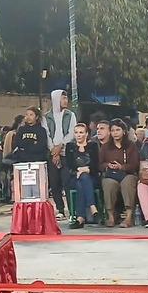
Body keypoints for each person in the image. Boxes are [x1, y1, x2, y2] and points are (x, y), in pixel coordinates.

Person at [99, 118, 139, 228]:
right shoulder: (106, 147)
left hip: (128, 174)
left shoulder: (131, 145)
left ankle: (128, 217)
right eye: (113, 130)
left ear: (124, 131)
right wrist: (108, 165)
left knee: (127, 183)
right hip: (112, 175)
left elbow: (135, 165)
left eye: (118, 130)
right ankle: (110, 216)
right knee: (108, 184)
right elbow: (100, 164)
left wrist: (121, 166)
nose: (115, 133)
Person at [44, 90, 76, 219]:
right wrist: (54, 151)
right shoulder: (46, 117)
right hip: (53, 154)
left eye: (66, 98)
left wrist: (61, 145)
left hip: (66, 153)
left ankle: (72, 209)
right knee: (55, 182)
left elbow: (72, 132)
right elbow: (46, 135)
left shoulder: (70, 115)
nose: (66, 100)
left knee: (67, 181)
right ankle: (60, 209)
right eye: (63, 98)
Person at [66, 123, 100, 229]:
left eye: (81, 132)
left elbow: (95, 164)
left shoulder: (93, 146)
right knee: (81, 179)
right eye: (76, 133)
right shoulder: (70, 146)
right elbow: (69, 165)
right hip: (74, 177)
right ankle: (92, 207)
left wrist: (87, 169)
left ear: (86, 134)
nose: (78, 135)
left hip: (92, 177)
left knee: (82, 181)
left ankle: (80, 218)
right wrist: (79, 171)